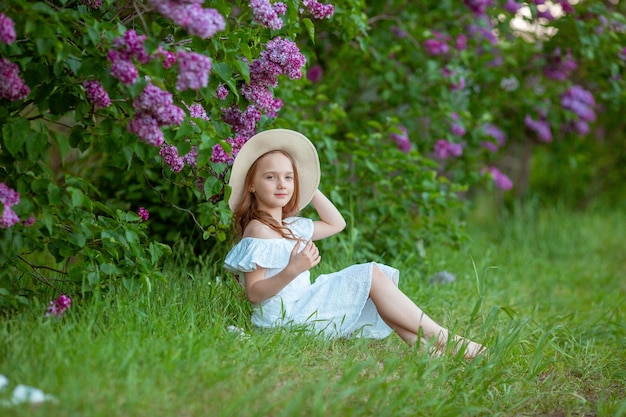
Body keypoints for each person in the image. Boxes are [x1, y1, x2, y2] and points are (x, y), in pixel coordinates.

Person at [223, 129, 485, 359]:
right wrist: (293, 269)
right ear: (252, 186)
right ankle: (452, 342)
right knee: (369, 276)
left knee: (371, 281)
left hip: (303, 304)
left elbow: (337, 224)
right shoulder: (258, 230)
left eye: (289, 177)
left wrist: (310, 186)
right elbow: (254, 293)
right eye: (270, 177)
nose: (282, 184)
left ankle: (426, 350)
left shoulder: (292, 226)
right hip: (284, 319)